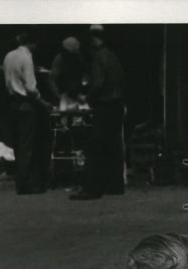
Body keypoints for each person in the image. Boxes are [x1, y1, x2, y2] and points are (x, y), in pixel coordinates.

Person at [70, 25, 126, 200]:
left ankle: (91, 188)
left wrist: (88, 98)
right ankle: (115, 185)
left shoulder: (98, 57)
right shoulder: (112, 56)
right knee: (114, 146)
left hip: (105, 104)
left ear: (93, 39)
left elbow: (99, 83)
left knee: (95, 147)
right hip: (117, 104)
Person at [2, 29, 52, 194]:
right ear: (32, 43)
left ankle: (21, 180)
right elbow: (31, 87)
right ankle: (26, 184)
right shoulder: (26, 57)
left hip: (12, 103)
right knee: (27, 145)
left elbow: (8, 79)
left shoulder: (9, 56)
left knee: (18, 144)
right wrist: (42, 101)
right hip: (25, 104)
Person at [48, 36, 86, 109]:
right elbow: (51, 80)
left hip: (76, 95)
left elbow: (83, 75)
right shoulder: (59, 59)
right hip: (63, 94)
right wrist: (58, 96)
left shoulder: (79, 57)